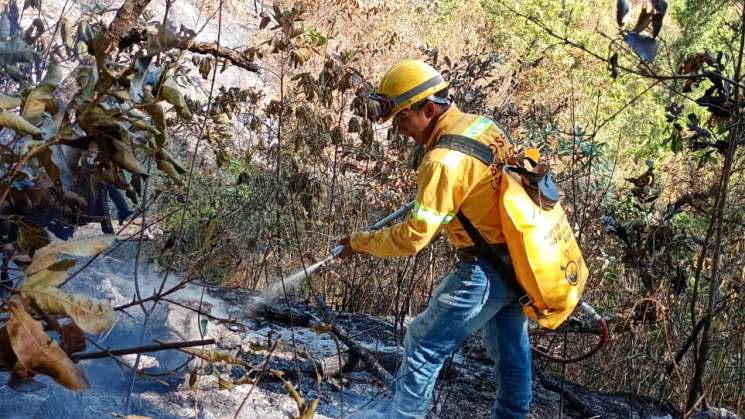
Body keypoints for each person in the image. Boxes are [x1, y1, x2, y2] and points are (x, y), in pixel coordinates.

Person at [336, 59, 532, 419]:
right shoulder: (482, 126)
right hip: (518, 261)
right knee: (509, 346)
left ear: (428, 108)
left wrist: (360, 241)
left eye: (402, 119)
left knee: (423, 344)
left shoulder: (443, 161)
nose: (399, 131)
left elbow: (413, 237)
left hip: (485, 272)